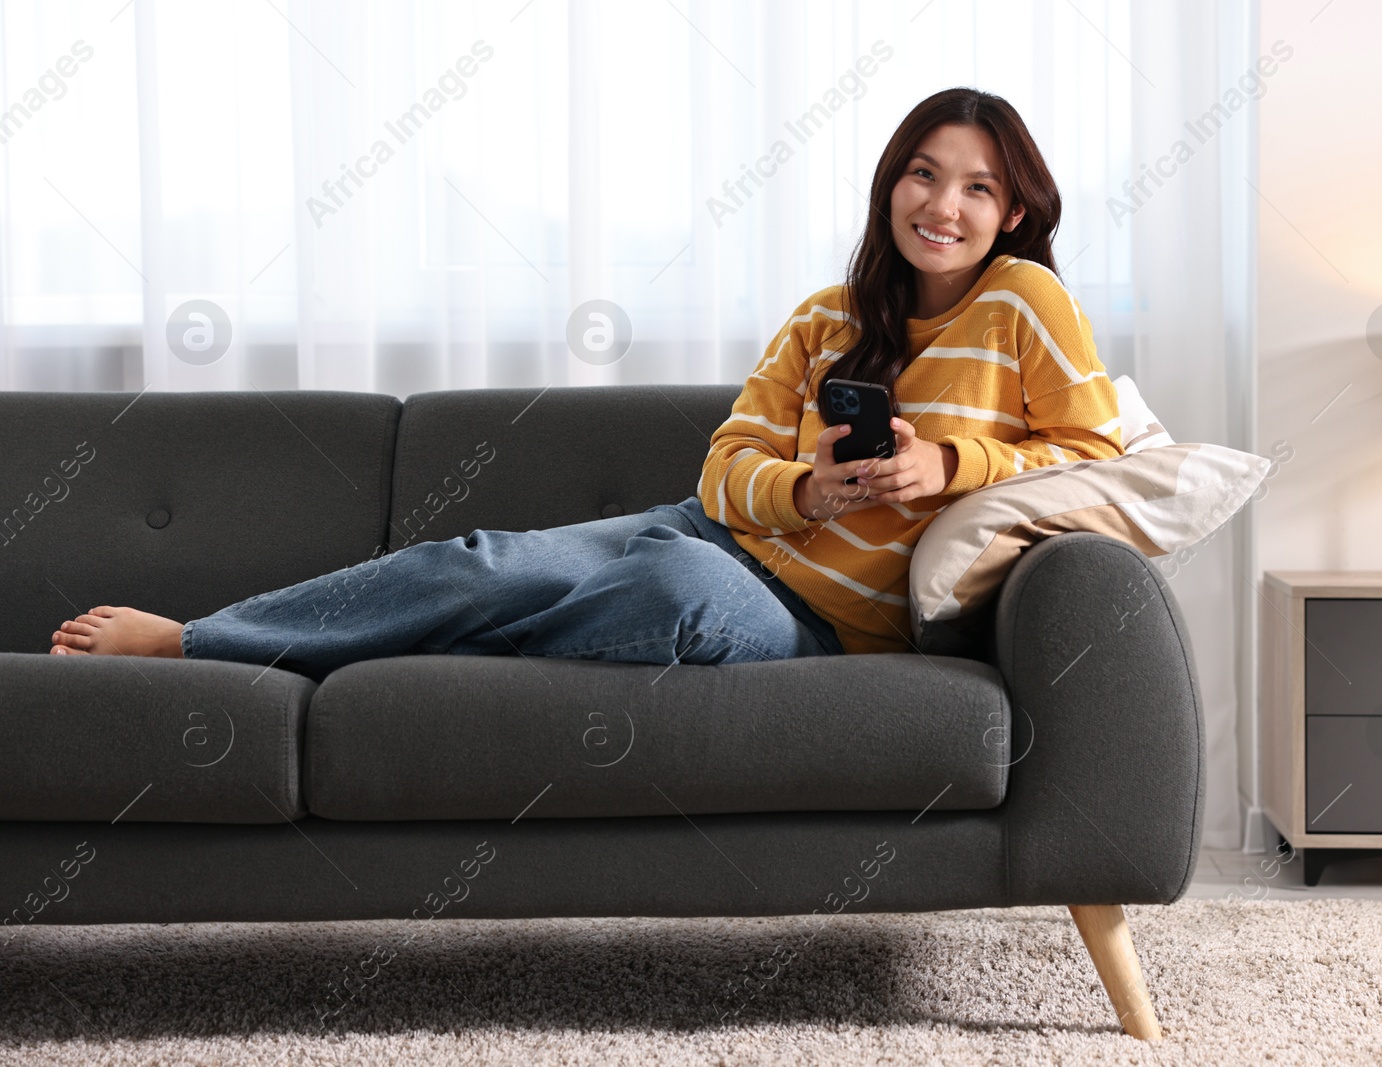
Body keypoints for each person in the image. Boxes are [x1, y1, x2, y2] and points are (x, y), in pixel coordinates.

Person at [47, 87, 1122, 676]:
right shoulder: (825, 317)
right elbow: (723, 473)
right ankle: (198, 639)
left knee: (671, 590)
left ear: (1013, 211)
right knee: (482, 561)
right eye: (923, 173)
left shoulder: (1026, 301)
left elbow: (1098, 465)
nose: (944, 203)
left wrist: (945, 462)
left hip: (815, 620)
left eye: (978, 187)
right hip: (719, 534)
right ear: (891, 185)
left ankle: (377, 648)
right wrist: (808, 489)